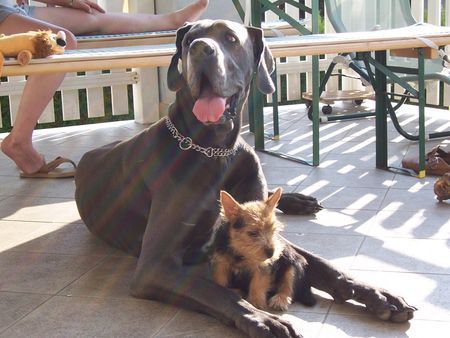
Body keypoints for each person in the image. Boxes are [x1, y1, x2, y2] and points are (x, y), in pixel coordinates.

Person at [0, 0, 209, 176]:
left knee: (94, 18)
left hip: (11, 10)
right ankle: (19, 139)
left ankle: (173, 21)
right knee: (61, 41)